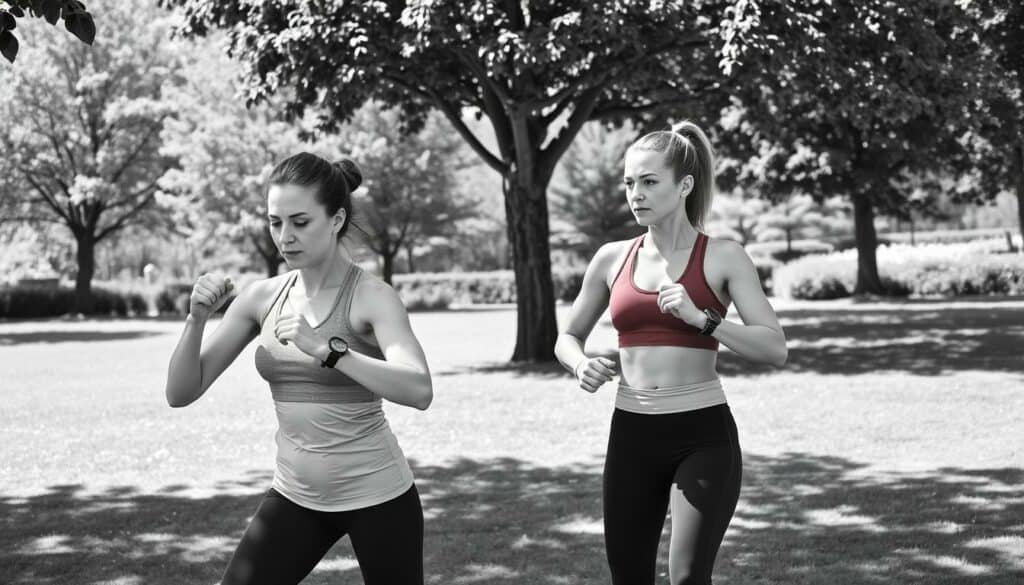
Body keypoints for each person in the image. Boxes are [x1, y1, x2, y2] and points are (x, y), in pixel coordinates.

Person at [165, 152, 433, 585]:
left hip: (379, 496)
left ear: (336, 219)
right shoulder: (262, 298)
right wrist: (196, 319)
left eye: (300, 222)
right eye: (275, 222)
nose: (285, 236)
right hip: (296, 497)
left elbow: (419, 389)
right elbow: (181, 392)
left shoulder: (371, 297)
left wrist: (329, 350)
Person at [554, 121, 788, 585]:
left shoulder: (723, 256)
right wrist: (580, 364)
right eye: (629, 183)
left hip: (702, 435)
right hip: (632, 434)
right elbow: (567, 336)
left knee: (687, 578)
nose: (635, 194)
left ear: (684, 185)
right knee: (629, 577)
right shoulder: (611, 258)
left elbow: (774, 346)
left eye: (648, 181)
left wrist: (706, 320)